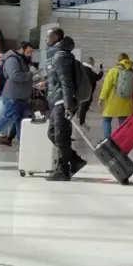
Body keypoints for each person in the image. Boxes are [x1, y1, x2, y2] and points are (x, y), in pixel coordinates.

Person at [44, 28, 89, 181]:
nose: (45, 39)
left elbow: (66, 82)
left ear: (55, 37)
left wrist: (68, 105)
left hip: (63, 101)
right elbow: (59, 80)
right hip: (59, 100)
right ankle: (75, 160)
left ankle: (63, 170)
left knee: (60, 135)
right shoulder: (58, 55)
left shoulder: (60, 56)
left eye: (47, 36)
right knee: (53, 133)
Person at [0, 42, 35, 149]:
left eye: (31, 52)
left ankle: (22, 144)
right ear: (21, 50)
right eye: (28, 52)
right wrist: (30, 74)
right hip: (13, 96)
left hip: (22, 97)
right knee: (9, 118)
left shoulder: (22, 60)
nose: (30, 54)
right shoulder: (12, 60)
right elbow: (15, 76)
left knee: (22, 121)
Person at [99, 53, 133, 138]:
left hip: (113, 101)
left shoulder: (113, 70)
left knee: (106, 120)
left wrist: (101, 98)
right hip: (127, 101)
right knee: (123, 122)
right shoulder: (132, 71)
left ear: (118, 60)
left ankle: (107, 140)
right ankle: (121, 141)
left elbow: (106, 86)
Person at [77, 57, 102, 127]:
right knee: (84, 107)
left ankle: (80, 118)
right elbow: (98, 77)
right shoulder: (90, 73)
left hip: (78, 92)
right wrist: (101, 70)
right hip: (87, 94)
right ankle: (81, 123)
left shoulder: (80, 68)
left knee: (82, 107)